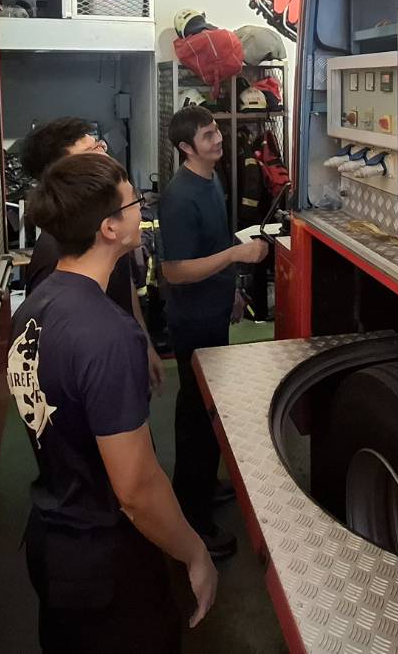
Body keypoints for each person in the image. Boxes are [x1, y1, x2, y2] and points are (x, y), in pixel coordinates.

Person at [9, 152, 217, 653]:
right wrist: (195, 555)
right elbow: (136, 488)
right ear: (109, 227)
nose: (141, 212)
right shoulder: (106, 335)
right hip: (105, 562)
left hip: (52, 542)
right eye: (134, 203)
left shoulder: (34, 307)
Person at [158, 106, 269, 559]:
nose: (219, 139)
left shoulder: (212, 178)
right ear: (186, 147)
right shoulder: (180, 196)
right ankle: (193, 518)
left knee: (207, 411)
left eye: (217, 130)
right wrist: (236, 259)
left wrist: (234, 291)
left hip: (215, 308)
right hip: (192, 321)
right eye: (208, 135)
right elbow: (176, 271)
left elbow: (216, 242)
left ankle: (204, 485)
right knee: (195, 417)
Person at [21, 117, 164, 393]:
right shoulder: (54, 255)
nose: (105, 156)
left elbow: (126, 288)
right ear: (61, 174)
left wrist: (144, 344)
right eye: (91, 152)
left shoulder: (105, 234)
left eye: (100, 145)